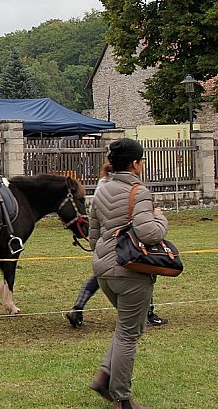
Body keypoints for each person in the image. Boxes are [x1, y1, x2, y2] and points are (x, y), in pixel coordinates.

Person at [88, 138, 168, 409]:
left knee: (127, 327)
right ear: (135, 164)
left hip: (104, 272)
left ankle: (104, 376)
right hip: (130, 270)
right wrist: (160, 217)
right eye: (141, 160)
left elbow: (93, 236)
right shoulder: (139, 191)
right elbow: (150, 232)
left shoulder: (101, 189)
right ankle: (121, 400)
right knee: (128, 334)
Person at [66, 162, 168, 329]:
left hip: (105, 242)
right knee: (143, 268)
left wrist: (94, 240)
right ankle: (147, 313)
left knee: (102, 274)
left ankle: (78, 307)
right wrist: (158, 217)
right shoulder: (126, 187)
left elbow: (95, 220)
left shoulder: (102, 184)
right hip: (125, 240)